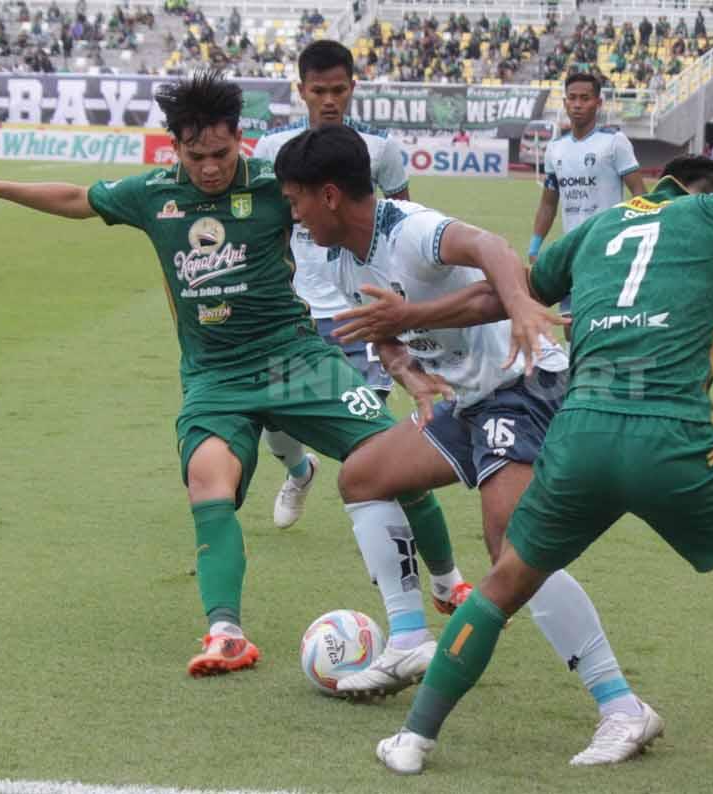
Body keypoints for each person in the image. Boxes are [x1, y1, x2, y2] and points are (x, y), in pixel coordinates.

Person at [0, 72, 523, 682]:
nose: (211, 168)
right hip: (215, 376)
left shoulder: (277, 186)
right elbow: (79, 200)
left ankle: (446, 581)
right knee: (207, 482)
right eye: (197, 157)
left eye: (221, 154)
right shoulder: (153, 194)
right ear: (176, 149)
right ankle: (225, 633)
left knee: (388, 456)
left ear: (238, 141)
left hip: (293, 360)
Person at [372, 98, 713, 783]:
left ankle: (412, 740)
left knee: (505, 582)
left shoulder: (600, 227)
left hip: (580, 432)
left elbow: (501, 296)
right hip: (671, 435)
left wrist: (408, 317)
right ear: (711, 190)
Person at [276, 123, 661, 764]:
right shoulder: (343, 260)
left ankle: (622, 707)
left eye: (295, 200)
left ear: (331, 195)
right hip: (468, 401)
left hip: (525, 383)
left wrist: (523, 307)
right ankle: (407, 639)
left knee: (513, 546)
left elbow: (491, 249)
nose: (292, 214)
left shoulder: (410, 231)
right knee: (364, 475)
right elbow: (384, 334)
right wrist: (410, 375)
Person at [251, 41, 471, 613]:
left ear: (353, 88)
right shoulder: (273, 151)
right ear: (300, 90)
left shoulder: (380, 151)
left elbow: (394, 230)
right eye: (317, 90)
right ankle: (298, 471)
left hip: (361, 315)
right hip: (293, 315)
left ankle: (434, 581)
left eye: (338, 89)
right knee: (275, 421)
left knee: (371, 449)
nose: (328, 100)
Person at [529, 72, 647, 336]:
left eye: (585, 98)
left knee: (604, 324)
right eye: (572, 98)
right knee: (570, 326)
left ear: (598, 103)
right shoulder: (555, 148)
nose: (578, 104)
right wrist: (535, 246)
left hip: (608, 249)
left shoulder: (614, 142)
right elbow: (548, 203)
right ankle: (577, 375)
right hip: (571, 251)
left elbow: (640, 194)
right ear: (564, 103)